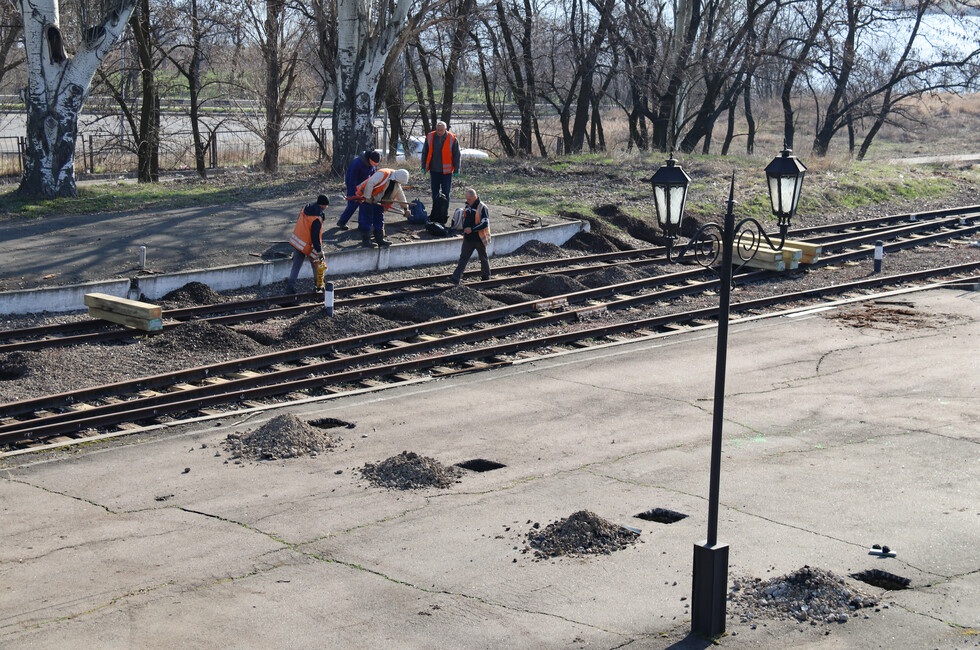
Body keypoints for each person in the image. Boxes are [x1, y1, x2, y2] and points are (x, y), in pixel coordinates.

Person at [356, 168, 410, 248]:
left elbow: (400, 195)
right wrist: (368, 197)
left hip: (378, 201)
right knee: (367, 220)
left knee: (379, 219)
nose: (398, 183)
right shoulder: (383, 174)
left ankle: (380, 239)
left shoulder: (396, 183)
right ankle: (366, 241)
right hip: (366, 198)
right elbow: (370, 183)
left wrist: (406, 208)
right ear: (396, 178)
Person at [286, 194, 329, 293]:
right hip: (308, 244)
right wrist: (319, 250)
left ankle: (290, 286)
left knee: (296, 266)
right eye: (326, 205)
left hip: (298, 241)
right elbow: (315, 236)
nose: (327, 207)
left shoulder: (306, 208)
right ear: (323, 205)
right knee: (316, 264)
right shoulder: (317, 218)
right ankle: (318, 285)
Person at [449, 188, 491, 285]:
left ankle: (486, 277)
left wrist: (472, 229)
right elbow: (465, 219)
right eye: (467, 199)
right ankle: (456, 278)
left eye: (469, 199)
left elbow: (485, 223)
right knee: (463, 258)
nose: (467, 201)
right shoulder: (467, 206)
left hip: (479, 238)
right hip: (468, 238)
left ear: (475, 197)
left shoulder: (482, 207)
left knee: (483, 257)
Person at [420, 120, 461, 208]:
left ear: (445, 129)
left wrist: (456, 170)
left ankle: (444, 212)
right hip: (434, 170)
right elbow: (425, 152)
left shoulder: (452, 138)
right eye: (437, 130)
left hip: (447, 172)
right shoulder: (430, 136)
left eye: (441, 130)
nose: (439, 132)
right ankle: (435, 211)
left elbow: (457, 155)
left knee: (446, 192)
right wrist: (423, 166)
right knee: (435, 192)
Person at [337, 150, 380, 230]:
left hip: (364, 186)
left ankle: (362, 224)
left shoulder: (372, 164)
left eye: (376, 164)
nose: (375, 165)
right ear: (370, 159)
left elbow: (373, 175)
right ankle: (342, 222)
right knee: (353, 204)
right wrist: (354, 192)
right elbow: (352, 179)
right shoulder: (357, 163)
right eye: (374, 163)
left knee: (364, 204)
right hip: (353, 185)